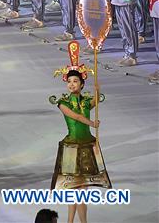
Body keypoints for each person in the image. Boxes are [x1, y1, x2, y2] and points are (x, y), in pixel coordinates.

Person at [50, 52, 110, 222]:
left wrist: (98, 90)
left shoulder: (84, 102)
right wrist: (92, 123)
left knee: (82, 188)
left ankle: (82, 222)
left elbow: (95, 101)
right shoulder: (63, 103)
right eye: (69, 81)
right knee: (73, 188)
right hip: (72, 148)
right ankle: (71, 221)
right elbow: (75, 117)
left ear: (82, 84)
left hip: (86, 146)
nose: (71, 84)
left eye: (75, 81)